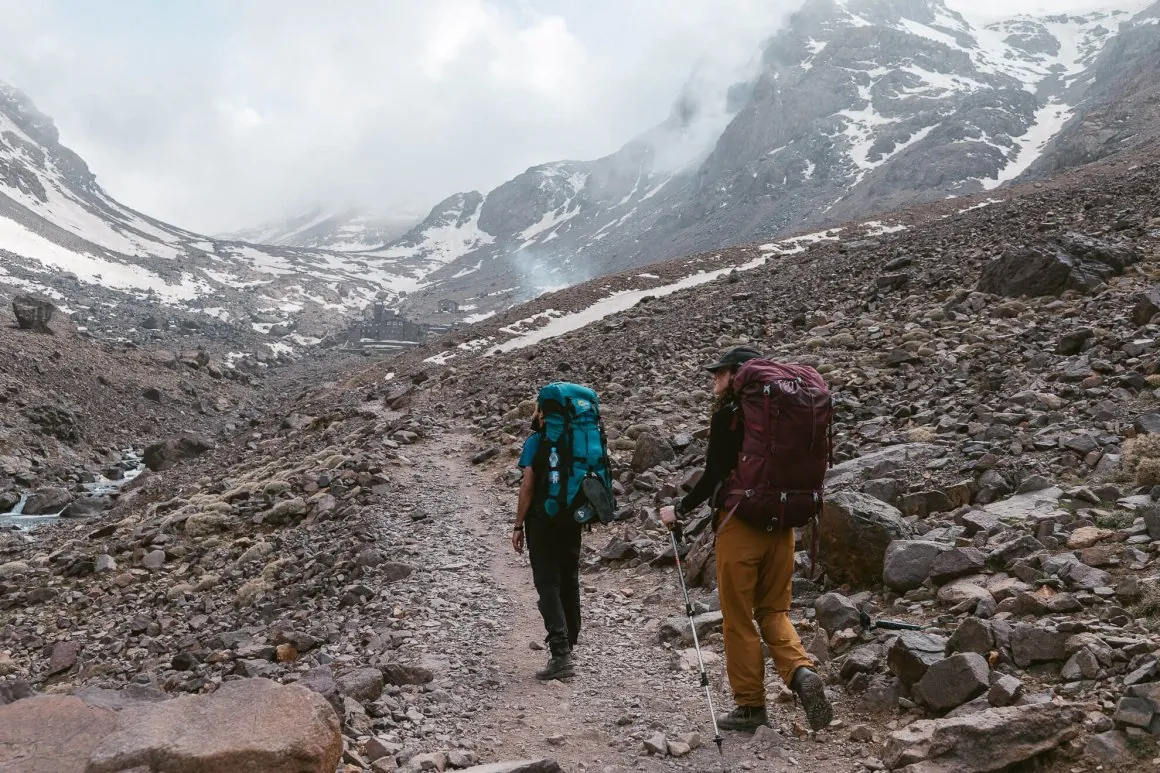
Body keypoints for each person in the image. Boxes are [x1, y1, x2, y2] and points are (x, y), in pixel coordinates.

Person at [660, 346, 833, 733]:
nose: (714, 380)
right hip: (783, 524)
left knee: (738, 618)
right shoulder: (779, 412)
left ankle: (751, 707)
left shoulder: (730, 416)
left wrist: (679, 510)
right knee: (773, 612)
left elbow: (712, 476)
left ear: (737, 375)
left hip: (741, 526)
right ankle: (801, 672)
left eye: (719, 373)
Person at [512, 406, 583, 681]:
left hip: (542, 520)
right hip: (573, 519)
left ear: (542, 415)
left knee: (547, 582)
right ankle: (570, 644)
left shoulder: (536, 441)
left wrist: (518, 525)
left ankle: (561, 654)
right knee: (569, 579)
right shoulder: (577, 440)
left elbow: (528, 486)